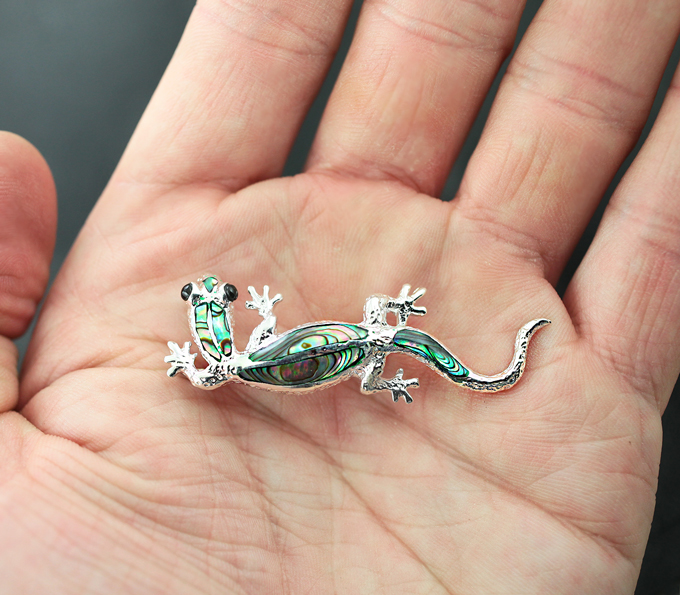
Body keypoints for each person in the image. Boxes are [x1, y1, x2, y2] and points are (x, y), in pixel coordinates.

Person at [1, 0, 679, 592]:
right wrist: (329, 338)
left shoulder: (230, 363)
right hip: (360, 345)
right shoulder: (247, 356)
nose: (214, 300)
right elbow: (225, 363)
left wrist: (191, 360)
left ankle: (465, 361)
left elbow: (212, 371)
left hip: (355, 349)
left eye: (212, 296)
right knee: (374, 346)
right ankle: (460, 356)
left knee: (370, 353)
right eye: (212, 298)